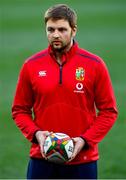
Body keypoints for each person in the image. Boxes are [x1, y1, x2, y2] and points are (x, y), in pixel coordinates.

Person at [12, 4, 118, 179]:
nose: (55, 35)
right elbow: (19, 110)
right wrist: (36, 134)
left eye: (62, 29)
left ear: (74, 30)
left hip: (83, 160)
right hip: (41, 158)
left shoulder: (95, 65)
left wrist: (84, 141)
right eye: (50, 29)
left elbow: (108, 112)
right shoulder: (31, 65)